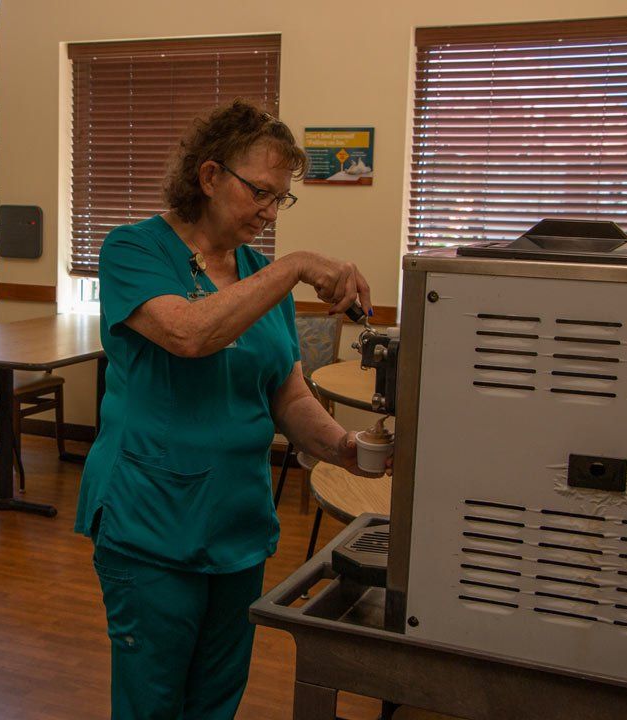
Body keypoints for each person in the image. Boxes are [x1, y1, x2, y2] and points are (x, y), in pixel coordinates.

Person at [74, 99, 390, 720]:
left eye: (282, 199)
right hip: (152, 523)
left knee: (217, 699)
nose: (271, 212)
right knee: (153, 701)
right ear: (210, 176)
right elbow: (190, 334)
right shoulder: (133, 251)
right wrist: (298, 265)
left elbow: (286, 392)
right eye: (261, 193)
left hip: (236, 526)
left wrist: (345, 448)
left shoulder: (256, 274)